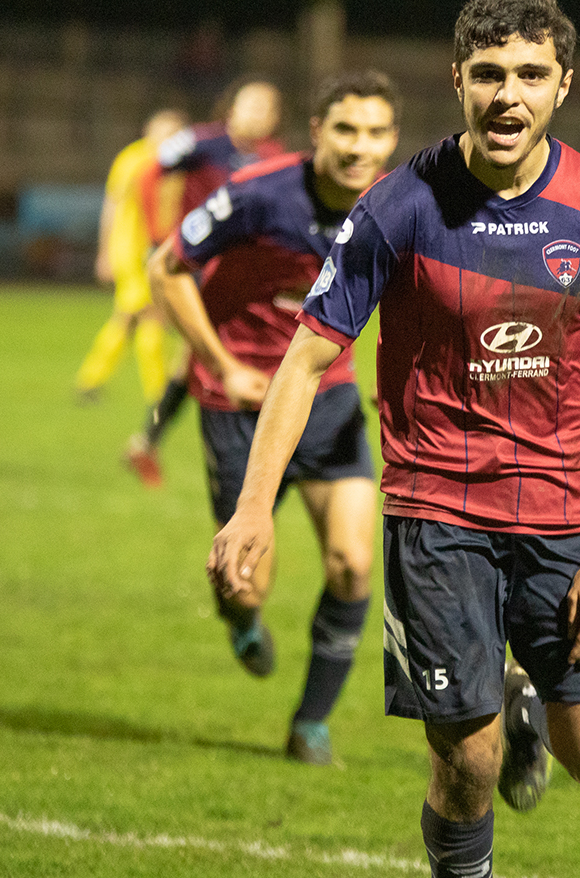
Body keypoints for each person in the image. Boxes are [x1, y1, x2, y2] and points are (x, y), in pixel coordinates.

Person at [208, 0, 580, 878]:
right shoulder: (397, 207)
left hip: (564, 512)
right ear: (458, 82)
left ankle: (521, 694)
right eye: (488, 74)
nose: (507, 95)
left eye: (531, 74)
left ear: (562, 86)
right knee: (466, 766)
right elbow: (302, 363)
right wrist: (253, 510)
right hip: (437, 511)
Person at [148, 69, 400, 765]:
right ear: (317, 132)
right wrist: (220, 362)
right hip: (241, 404)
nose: (359, 146)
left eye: (376, 132)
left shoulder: (395, 205)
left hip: (330, 399)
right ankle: (242, 617)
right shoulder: (259, 193)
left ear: (393, 141)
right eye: (346, 129)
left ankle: (311, 722)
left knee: (352, 563)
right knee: (244, 578)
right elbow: (165, 267)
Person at [124, 78, 284, 486]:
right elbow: (148, 174)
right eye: (250, 105)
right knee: (200, 357)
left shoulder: (273, 157)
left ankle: (149, 440)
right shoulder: (199, 143)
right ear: (231, 109)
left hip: (248, 277)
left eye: (265, 109)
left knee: (201, 359)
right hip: (198, 270)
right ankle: (153, 440)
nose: (256, 115)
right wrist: (159, 234)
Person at [74, 108, 189, 422]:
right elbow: (112, 206)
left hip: (155, 251)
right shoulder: (133, 160)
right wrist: (105, 253)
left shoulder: (178, 166)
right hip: (131, 252)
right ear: (148, 131)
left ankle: (90, 380)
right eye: (163, 131)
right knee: (149, 316)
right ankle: (157, 394)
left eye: (175, 132)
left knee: (127, 319)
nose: (169, 138)